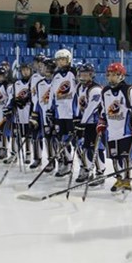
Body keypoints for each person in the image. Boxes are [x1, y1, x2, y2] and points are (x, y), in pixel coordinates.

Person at [96, 62, 132, 196]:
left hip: (125, 131)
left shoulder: (128, 90)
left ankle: (127, 180)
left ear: (121, 76)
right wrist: (101, 122)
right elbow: (104, 110)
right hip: (111, 132)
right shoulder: (105, 91)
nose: (111, 78)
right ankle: (119, 179)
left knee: (126, 157)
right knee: (115, 158)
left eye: (114, 75)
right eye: (109, 75)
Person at [72, 63, 106, 184]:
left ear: (92, 75)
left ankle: (100, 173)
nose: (84, 76)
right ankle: (86, 168)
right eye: (82, 74)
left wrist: (82, 123)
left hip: (96, 124)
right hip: (85, 123)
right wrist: (76, 118)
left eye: (87, 74)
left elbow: (91, 108)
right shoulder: (78, 88)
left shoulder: (95, 89)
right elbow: (77, 105)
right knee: (83, 147)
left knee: (96, 148)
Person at [47, 49, 78, 177]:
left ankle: (85, 167)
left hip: (72, 114)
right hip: (60, 114)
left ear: (69, 60)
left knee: (77, 142)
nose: (60, 62)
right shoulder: (56, 75)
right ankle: (67, 163)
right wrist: (50, 109)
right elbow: (52, 95)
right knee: (62, 140)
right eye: (58, 60)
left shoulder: (74, 73)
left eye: (63, 59)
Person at [2, 63, 32, 165]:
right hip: (17, 114)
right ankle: (14, 154)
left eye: (27, 69)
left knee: (28, 136)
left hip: (28, 114)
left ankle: (28, 153)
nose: (25, 72)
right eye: (23, 70)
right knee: (15, 135)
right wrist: (9, 106)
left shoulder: (33, 83)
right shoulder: (16, 85)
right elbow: (11, 98)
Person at [29, 58, 56, 170]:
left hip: (56, 114)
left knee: (58, 139)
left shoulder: (57, 81)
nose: (44, 69)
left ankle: (63, 162)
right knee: (43, 137)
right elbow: (37, 100)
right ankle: (44, 159)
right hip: (41, 112)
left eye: (46, 67)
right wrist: (34, 114)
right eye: (42, 66)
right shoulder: (39, 82)